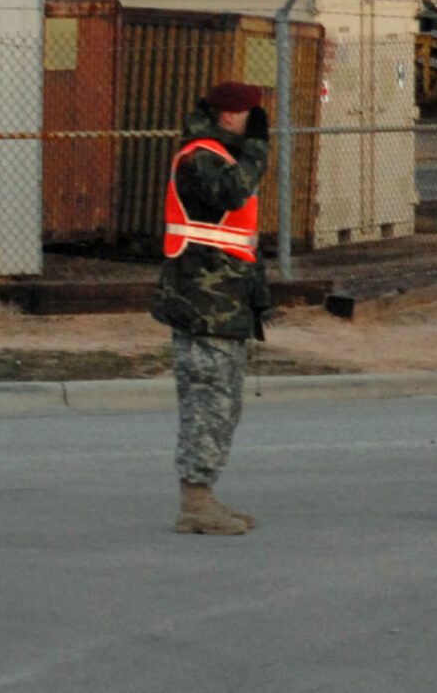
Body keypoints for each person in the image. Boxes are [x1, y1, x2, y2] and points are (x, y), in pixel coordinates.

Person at [152, 81, 272, 536]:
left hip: (223, 302)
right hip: (202, 304)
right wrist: (258, 148)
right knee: (207, 403)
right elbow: (231, 194)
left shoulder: (221, 154)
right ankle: (195, 502)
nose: (256, 122)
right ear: (228, 116)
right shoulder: (201, 156)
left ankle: (204, 495)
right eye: (250, 114)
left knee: (223, 403)